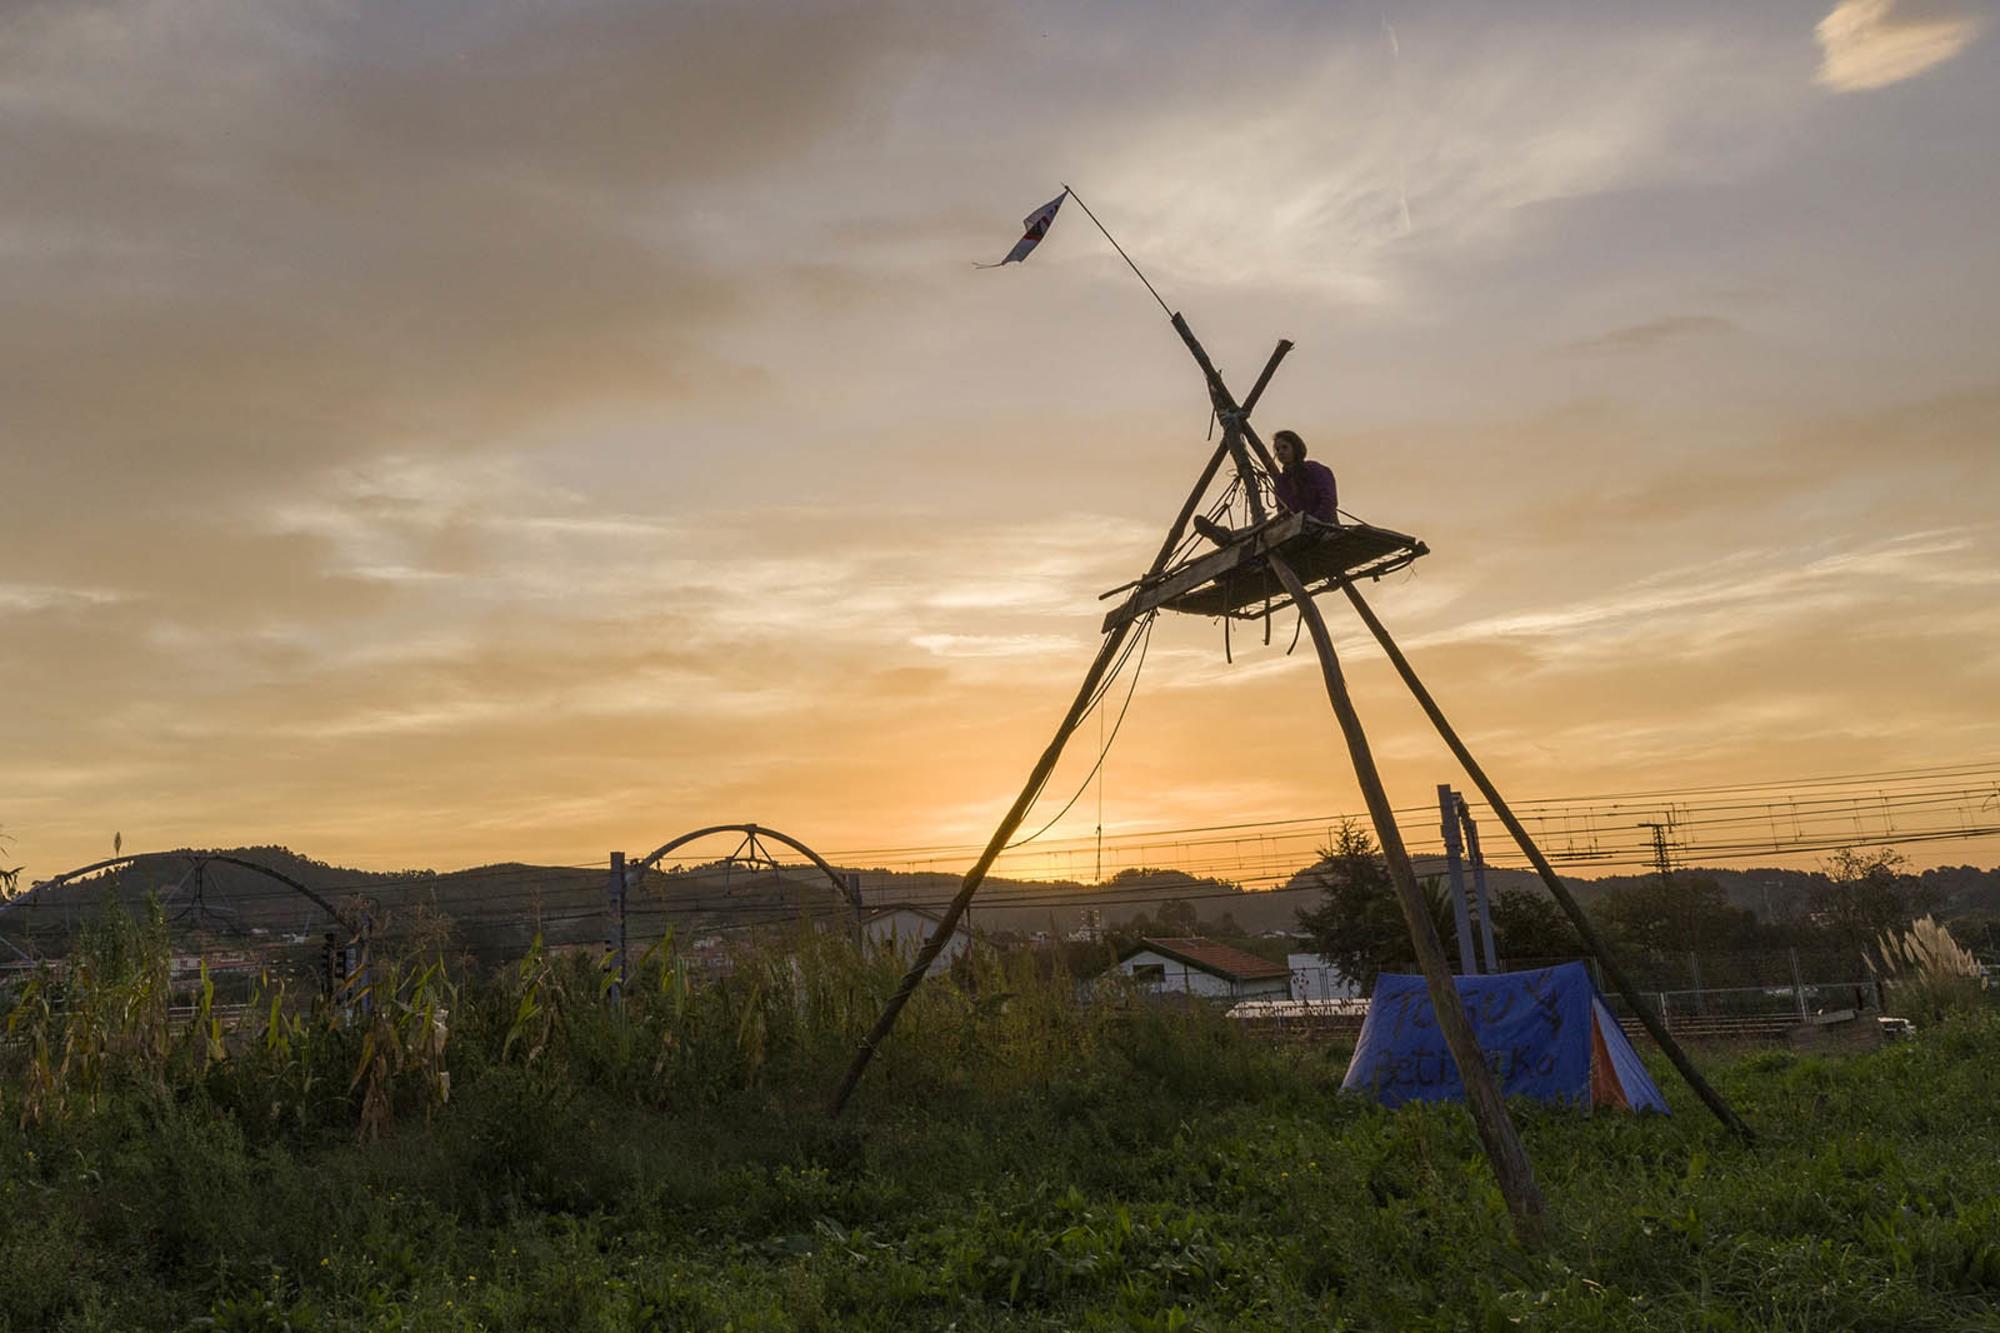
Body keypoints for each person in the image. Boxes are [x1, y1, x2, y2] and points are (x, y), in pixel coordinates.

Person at [1191, 428, 1337, 546]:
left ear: (1296, 448)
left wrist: (1313, 520)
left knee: (1266, 533)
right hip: (1294, 528)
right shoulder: (1281, 481)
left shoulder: (1314, 469)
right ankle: (1225, 536)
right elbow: (1283, 512)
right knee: (1261, 530)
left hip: (1321, 525)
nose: (1280, 452)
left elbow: (1329, 500)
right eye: (1277, 449)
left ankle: (1229, 536)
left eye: (1285, 447)